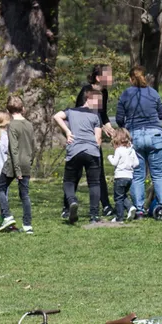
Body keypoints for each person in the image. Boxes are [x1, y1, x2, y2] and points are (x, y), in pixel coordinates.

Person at [114, 65, 162, 219]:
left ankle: (139, 210)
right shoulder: (153, 93)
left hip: (135, 135)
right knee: (159, 175)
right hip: (155, 134)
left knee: (137, 175)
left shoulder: (126, 94)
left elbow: (119, 118)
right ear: (145, 77)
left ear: (131, 79)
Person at [66, 64, 115, 218]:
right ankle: (67, 206)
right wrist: (100, 125)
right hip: (81, 138)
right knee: (76, 173)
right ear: (98, 77)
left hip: (95, 137)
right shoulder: (86, 91)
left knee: (98, 173)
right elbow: (81, 114)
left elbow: (102, 114)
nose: (112, 78)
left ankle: (106, 205)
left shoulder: (104, 92)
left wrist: (109, 128)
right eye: (108, 75)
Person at [54, 88, 104, 224]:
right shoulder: (95, 116)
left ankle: (72, 201)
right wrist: (95, 150)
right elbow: (98, 138)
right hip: (91, 151)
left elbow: (56, 116)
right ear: (88, 99)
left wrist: (68, 132)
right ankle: (94, 215)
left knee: (68, 181)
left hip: (74, 150)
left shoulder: (71, 112)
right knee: (94, 183)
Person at [0, 94, 36, 234]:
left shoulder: (12, 125)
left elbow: (13, 149)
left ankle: (7, 216)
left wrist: (17, 171)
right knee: (24, 195)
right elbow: (33, 146)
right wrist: (30, 162)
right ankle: (28, 226)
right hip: (26, 163)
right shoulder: (29, 125)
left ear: (8, 112)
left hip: (14, 165)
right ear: (23, 109)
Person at [108, 128, 138, 222]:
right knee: (122, 195)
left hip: (120, 176)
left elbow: (114, 162)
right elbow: (136, 163)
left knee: (118, 198)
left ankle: (119, 217)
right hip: (129, 177)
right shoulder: (131, 150)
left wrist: (110, 157)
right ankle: (130, 207)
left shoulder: (119, 150)